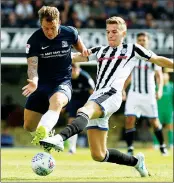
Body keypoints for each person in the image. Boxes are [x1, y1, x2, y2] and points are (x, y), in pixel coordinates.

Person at [40, 16, 173, 177]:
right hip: (98, 96)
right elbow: (74, 57)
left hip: (112, 94)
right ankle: (137, 162)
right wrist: (48, 55)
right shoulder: (100, 50)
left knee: (84, 110)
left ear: (123, 33)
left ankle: (60, 138)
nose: (110, 35)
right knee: (98, 154)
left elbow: (158, 60)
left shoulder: (133, 48)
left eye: (114, 32)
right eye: (108, 32)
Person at [22, 6, 89, 149]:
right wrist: (33, 81)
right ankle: (48, 135)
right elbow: (32, 66)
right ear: (41, 24)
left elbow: (83, 55)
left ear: (59, 22)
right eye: (46, 28)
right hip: (41, 85)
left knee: (57, 102)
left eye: (52, 27)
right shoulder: (34, 40)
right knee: (28, 126)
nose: (49, 32)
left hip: (62, 82)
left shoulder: (70, 33)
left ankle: (44, 132)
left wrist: (82, 54)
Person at [123, 32, 168, 156]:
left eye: (144, 40)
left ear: (148, 42)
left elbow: (159, 76)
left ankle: (162, 146)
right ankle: (130, 148)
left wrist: (159, 90)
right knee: (129, 120)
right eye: (140, 40)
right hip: (134, 94)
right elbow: (129, 76)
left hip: (149, 95)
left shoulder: (153, 57)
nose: (142, 42)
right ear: (137, 42)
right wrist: (123, 89)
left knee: (154, 122)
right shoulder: (133, 58)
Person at [66, 63, 95, 154]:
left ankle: (94, 147)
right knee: (71, 122)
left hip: (86, 102)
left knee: (90, 124)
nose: (73, 72)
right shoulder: (66, 77)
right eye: (71, 70)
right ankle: (72, 148)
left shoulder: (85, 77)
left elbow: (93, 92)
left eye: (75, 70)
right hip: (74, 101)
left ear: (79, 70)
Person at [153, 72, 173, 149]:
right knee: (156, 126)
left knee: (170, 127)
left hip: (169, 110)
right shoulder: (156, 87)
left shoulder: (171, 86)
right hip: (158, 110)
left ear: (168, 77)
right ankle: (156, 144)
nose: (164, 77)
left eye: (165, 75)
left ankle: (171, 144)